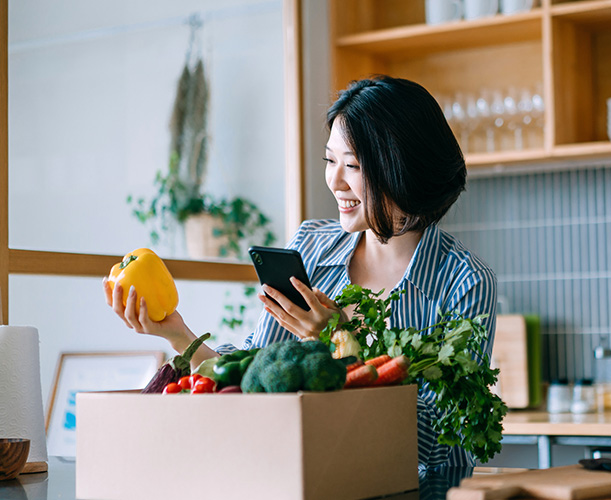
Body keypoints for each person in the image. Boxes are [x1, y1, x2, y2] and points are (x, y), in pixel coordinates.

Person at [103, 75, 497, 469]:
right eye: (330, 160)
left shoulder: (464, 282)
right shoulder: (311, 244)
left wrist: (343, 341)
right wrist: (178, 334)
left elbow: (443, 438)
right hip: (312, 476)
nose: (335, 180)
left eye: (353, 165)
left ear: (402, 169)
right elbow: (253, 373)